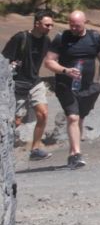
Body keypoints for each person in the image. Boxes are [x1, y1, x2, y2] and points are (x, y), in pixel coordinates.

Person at [43, 10, 100, 169]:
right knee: (72, 117)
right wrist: (66, 70)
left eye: (77, 25)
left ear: (85, 22)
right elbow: (49, 62)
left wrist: (99, 83)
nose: (73, 28)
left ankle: (72, 154)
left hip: (87, 87)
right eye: (71, 25)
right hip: (65, 86)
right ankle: (78, 154)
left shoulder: (95, 37)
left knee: (79, 118)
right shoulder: (61, 38)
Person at [2, 9, 56, 160]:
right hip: (17, 84)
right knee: (16, 121)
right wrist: (11, 66)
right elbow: (4, 59)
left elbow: (52, 58)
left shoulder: (46, 41)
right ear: (37, 23)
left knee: (43, 114)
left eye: (52, 25)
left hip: (34, 82)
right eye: (47, 25)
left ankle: (35, 149)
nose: (50, 28)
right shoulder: (21, 38)